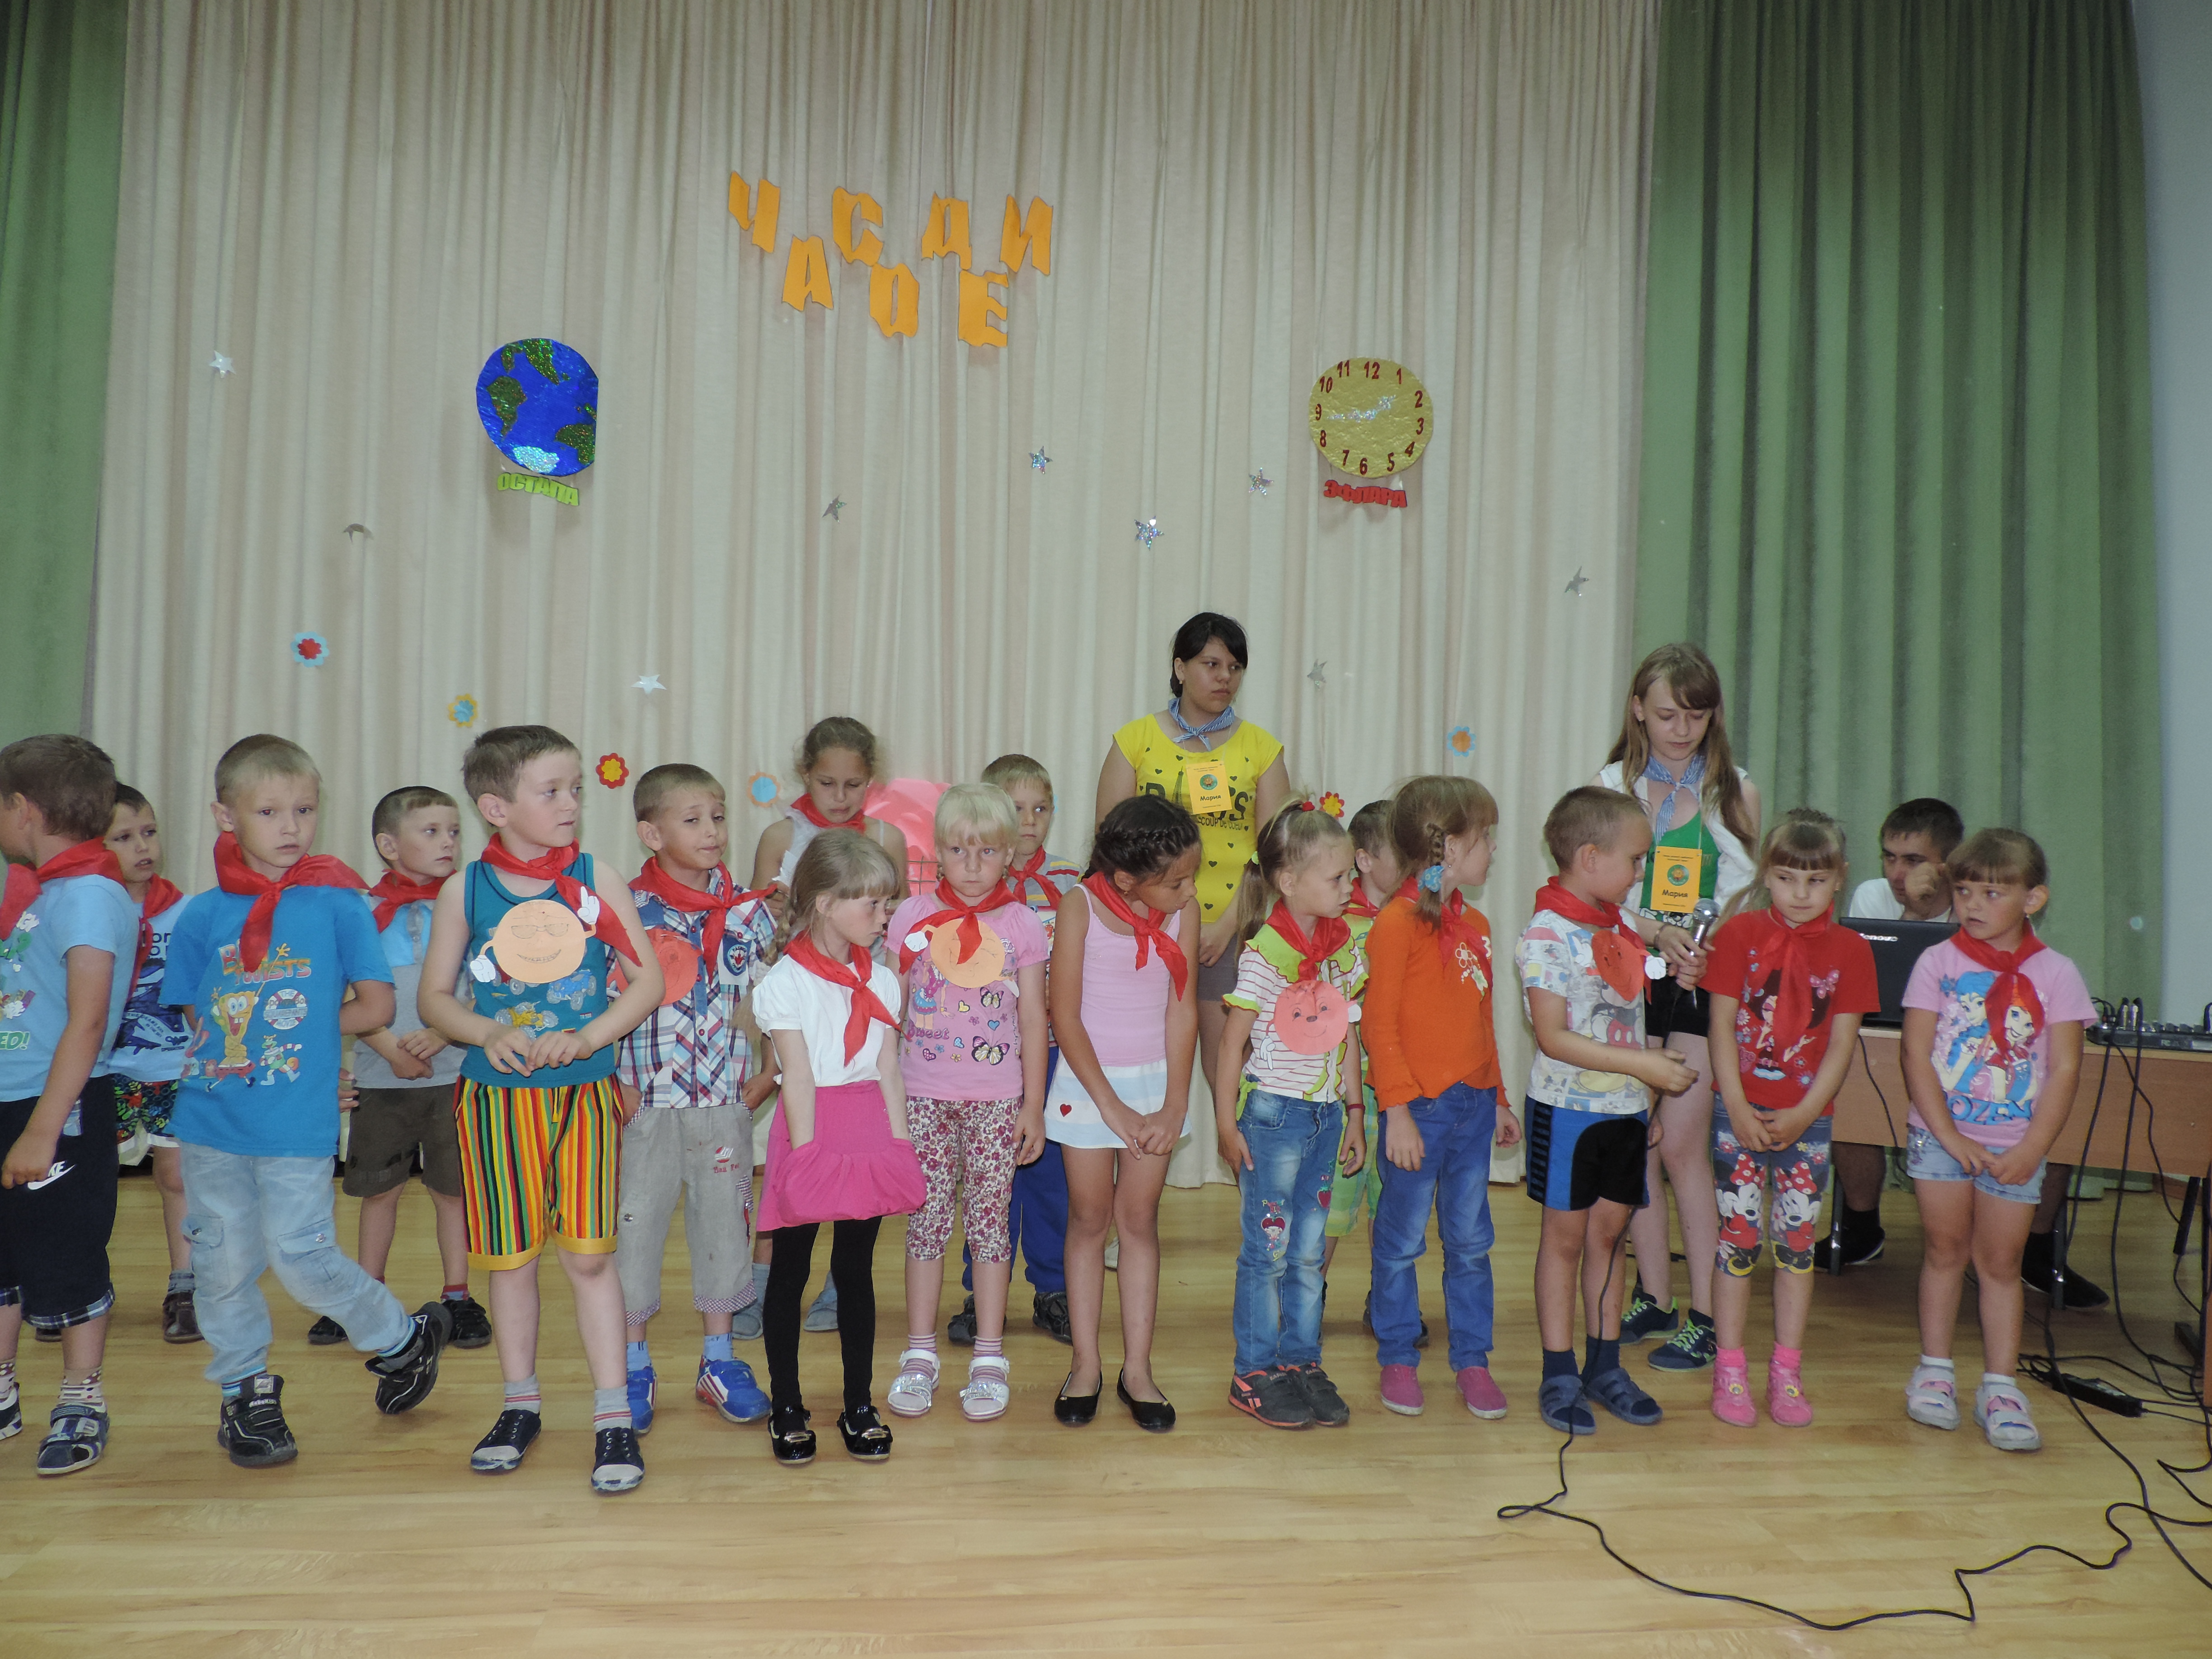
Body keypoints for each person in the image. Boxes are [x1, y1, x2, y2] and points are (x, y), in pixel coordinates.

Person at [161, 735, 450, 1467]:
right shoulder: (200, 914)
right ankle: (245, 1393)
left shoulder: (338, 903)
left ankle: (400, 1338)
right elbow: (198, 1013)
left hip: (297, 1120)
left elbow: (376, 1005)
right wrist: (245, 1039)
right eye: (269, 812)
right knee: (222, 1264)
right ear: (225, 816)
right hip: (211, 1118)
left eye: (305, 810)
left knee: (301, 1256)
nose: (291, 827)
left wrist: (307, 1036)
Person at [418, 725, 663, 1493]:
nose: (570, 804)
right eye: (551, 791)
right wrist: (488, 1032)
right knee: (512, 1257)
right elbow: (434, 997)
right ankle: (520, 1404)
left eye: (575, 789)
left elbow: (647, 981)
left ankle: (613, 1414)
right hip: (496, 1104)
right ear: (496, 808)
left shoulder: (596, 878)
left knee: (589, 1256)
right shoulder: (465, 890)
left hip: (584, 1098)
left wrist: (587, 1036)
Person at [1594, 642, 1761, 1373]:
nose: (1681, 729)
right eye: (1666, 714)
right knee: (1640, 1140)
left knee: (1685, 1146)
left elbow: (1747, 894)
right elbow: (1598, 891)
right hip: (1629, 973)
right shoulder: (1609, 786)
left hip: (1701, 979)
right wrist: (1652, 929)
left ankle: (1707, 1315)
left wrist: (1705, 944)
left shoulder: (1736, 790)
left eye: (1695, 716)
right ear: (1638, 709)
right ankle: (1654, 1297)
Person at [1900, 829, 2092, 1453]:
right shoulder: (1937, 963)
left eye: (1992, 893)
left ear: (2033, 899)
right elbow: (1916, 1055)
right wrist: (1948, 1136)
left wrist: (2032, 1150)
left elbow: (2064, 1069)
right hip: (1941, 1139)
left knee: (2002, 1265)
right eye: (1964, 891)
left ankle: (2001, 1387)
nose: (1973, 905)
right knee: (1944, 1251)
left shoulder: (2057, 973)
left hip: (2015, 1145)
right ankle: (1934, 1371)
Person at [1519, 787, 1698, 1436]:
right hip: (1568, 1114)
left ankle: (1604, 1366)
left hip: (1624, 1110)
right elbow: (1553, 1038)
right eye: (1636, 860)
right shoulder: (1547, 934)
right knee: (1565, 1242)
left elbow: (1641, 939)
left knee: (1609, 1239)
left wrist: (1670, 941)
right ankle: (1559, 1371)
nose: (1641, 873)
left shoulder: (1616, 923)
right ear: (1591, 859)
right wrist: (1645, 1067)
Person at [1095, 612, 1291, 1184]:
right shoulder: (1134, 741)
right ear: (1180, 668)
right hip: (1144, 931)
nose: (1224, 676)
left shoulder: (1261, 749)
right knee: (1137, 1059)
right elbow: (1111, 844)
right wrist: (1150, 922)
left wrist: (1226, 924)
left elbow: (1276, 852)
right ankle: (1126, 1205)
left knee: (1231, 1068)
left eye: (1234, 667)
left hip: (1229, 935)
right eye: (1210, 664)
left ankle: (1263, 1200)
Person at [750, 830, 925, 1466]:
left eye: (887, 903)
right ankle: (787, 1405)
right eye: (872, 904)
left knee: (855, 1269)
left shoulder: (884, 981)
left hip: (869, 1127)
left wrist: (901, 1145)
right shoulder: (784, 983)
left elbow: (889, 1071)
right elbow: (795, 1076)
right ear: (824, 903)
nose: (885, 917)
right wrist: (806, 1159)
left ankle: (858, 1403)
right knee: (791, 1269)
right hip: (810, 1128)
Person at [1700, 811, 1879, 1427]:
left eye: (1816, 881)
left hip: (1808, 1121)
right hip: (1738, 1114)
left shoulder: (1852, 951)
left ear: (1840, 878)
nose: (1800, 894)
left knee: (1797, 1248)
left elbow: (1841, 1046)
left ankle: (1786, 1372)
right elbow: (1721, 1026)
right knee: (1738, 1243)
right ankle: (1729, 1369)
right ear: (1766, 876)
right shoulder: (1739, 934)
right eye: (1785, 878)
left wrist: (1804, 1114)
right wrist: (1736, 1106)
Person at [614, 765, 778, 1434]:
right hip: (645, 1104)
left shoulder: (750, 913)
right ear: (651, 834)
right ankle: (631, 1363)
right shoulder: (623, 911)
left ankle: (719, 1358)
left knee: (723, 1227)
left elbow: (770, 999)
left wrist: (770, 1073)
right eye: (692, 820)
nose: (712, 831)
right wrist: (613, 1081)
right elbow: (600, 1001)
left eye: (717, 816)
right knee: (634, 1231)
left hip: (723, 1101)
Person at [885, 785, 1048, 1422]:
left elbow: (1033, 1018)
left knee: (988, 1225)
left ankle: (989, 1357)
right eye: (958, 851)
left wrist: (1033, 1106)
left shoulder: (1021, 924)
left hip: (996, 1101)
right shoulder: (912, 916)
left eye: (986, 852)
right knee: (925, 1224)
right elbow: (890, 1010)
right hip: (922, 1096)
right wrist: (886, 1099)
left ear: (1008, 853)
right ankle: (920, 1353)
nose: (972, 865)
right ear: (938, 852)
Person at [1361, 778, 1520, 1420]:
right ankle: (1398, 1356)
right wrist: (1396, 1110)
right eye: (1485, 838)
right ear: (1450, 848)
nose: (1493, 850)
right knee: (1400, 1242)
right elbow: (1379, 1027)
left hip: (1473, 1108)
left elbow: (1482, 1021)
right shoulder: (1396, 924)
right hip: (1418, 1112)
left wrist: (1499, 1097)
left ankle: (1472, 1361)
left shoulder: (1475, 924)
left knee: (1471, 1241)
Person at [0, 736, 137, 1474]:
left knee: (67, 1251)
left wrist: (43, 1129)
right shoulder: (41, 893)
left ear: (23, 808)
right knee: (7, 1250)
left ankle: (82, 1396)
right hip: (12, 1095)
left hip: (59, 1104)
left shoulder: (88, 893)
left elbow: (88, 1022)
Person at [747, 715, 910, 1332]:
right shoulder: (779, 834)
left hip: (861, 999)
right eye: (826, 783)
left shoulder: (886, 837)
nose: (840, 797)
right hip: (798, 996)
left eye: (853, 785)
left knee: (855, 1150)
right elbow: (757, 925)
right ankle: (765, 1285)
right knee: (790, 1147)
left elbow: (890, 923)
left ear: (871, 782)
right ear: (805, 776)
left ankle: (841, 1287)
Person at [1046, 796, 1202, 1431]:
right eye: (1177, 881)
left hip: (1153, 1086)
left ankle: (1137, 1369)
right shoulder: (1079, 906)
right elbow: (1065, 1014)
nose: (1190, 891)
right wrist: (1108, 1107)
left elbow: (1182, 1009)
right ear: (1127, 879)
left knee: (1138, 1221)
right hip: (1089, 1085)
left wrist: (1174, 1104)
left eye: (1191, 877)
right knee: (1090, 1218)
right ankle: (1086, 1363)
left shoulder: (1183, 911)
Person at [1213, 803, 1367, 1429]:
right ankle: (1253, 1372)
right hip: (1275, 1120)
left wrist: (1355, 1112)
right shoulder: (1266, 954)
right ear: (1289, 881)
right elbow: (1232, 1045)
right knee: (1269, 1251)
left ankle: (1301, 1361)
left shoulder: (1342, 948)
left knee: (1307, 1253)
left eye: (1351, 875)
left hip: (1326, 1117)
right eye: (1338, 877)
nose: (1350, 886)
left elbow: (1347, 1035)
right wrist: (1226, 1125)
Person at [329, 787, 490, 1351]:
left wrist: (445, 1031)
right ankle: (366, 1295)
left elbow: (492, 986)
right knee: (381, 1192)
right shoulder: (360, 912)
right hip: (382, 1077)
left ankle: (458, 1296)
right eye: (432, 832)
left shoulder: (470, 908)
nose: (448, 842)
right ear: (389, 845)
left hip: (457, 1076)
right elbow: (341, 992)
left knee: (454, 1193)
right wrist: (390, 1048)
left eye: (454, 832)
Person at [941, 754, 1083, 1348]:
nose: (1029, 821)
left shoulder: (1071, 883)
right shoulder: (967, 890)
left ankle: (1053, 1289)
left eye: (1040, 808)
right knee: (988, 1179)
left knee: (1051, 1179)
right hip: (987, 1059)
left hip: (1052, 1052)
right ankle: (983, 1293)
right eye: (1016, 808)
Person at [1825, 797, 1963, 1272]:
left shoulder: (1976, 903)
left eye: (1914, 860)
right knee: (1845, 1089)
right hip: (1882, 1040)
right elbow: (1879, 983)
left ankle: (2034, 1249)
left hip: (1958, 1049)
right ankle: (1862, 1228)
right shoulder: (1873, 895)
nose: (1898, 874)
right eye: (1889, 857)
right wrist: (1915, 918)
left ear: (1948, 864)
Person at [100, 782, 198, 1343]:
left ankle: (185, 1286)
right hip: (102, 1068)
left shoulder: (186, 912)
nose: (143, 847)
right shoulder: (88, 909)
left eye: (150, 832)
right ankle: (78, 1284)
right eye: (124, 837)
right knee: (87, 1176)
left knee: (176, 1175)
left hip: (174, 1065)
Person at [1323, 801, 1405, 1311]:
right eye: (1402, 852)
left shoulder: (1413, 920)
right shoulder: (1337, 925)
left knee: (1390, 1199)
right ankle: (1308, 1295)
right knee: (1333, 1200)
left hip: (1396, 1087)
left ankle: (1388, 1302)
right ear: (1365, 860)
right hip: (1342, 1089)